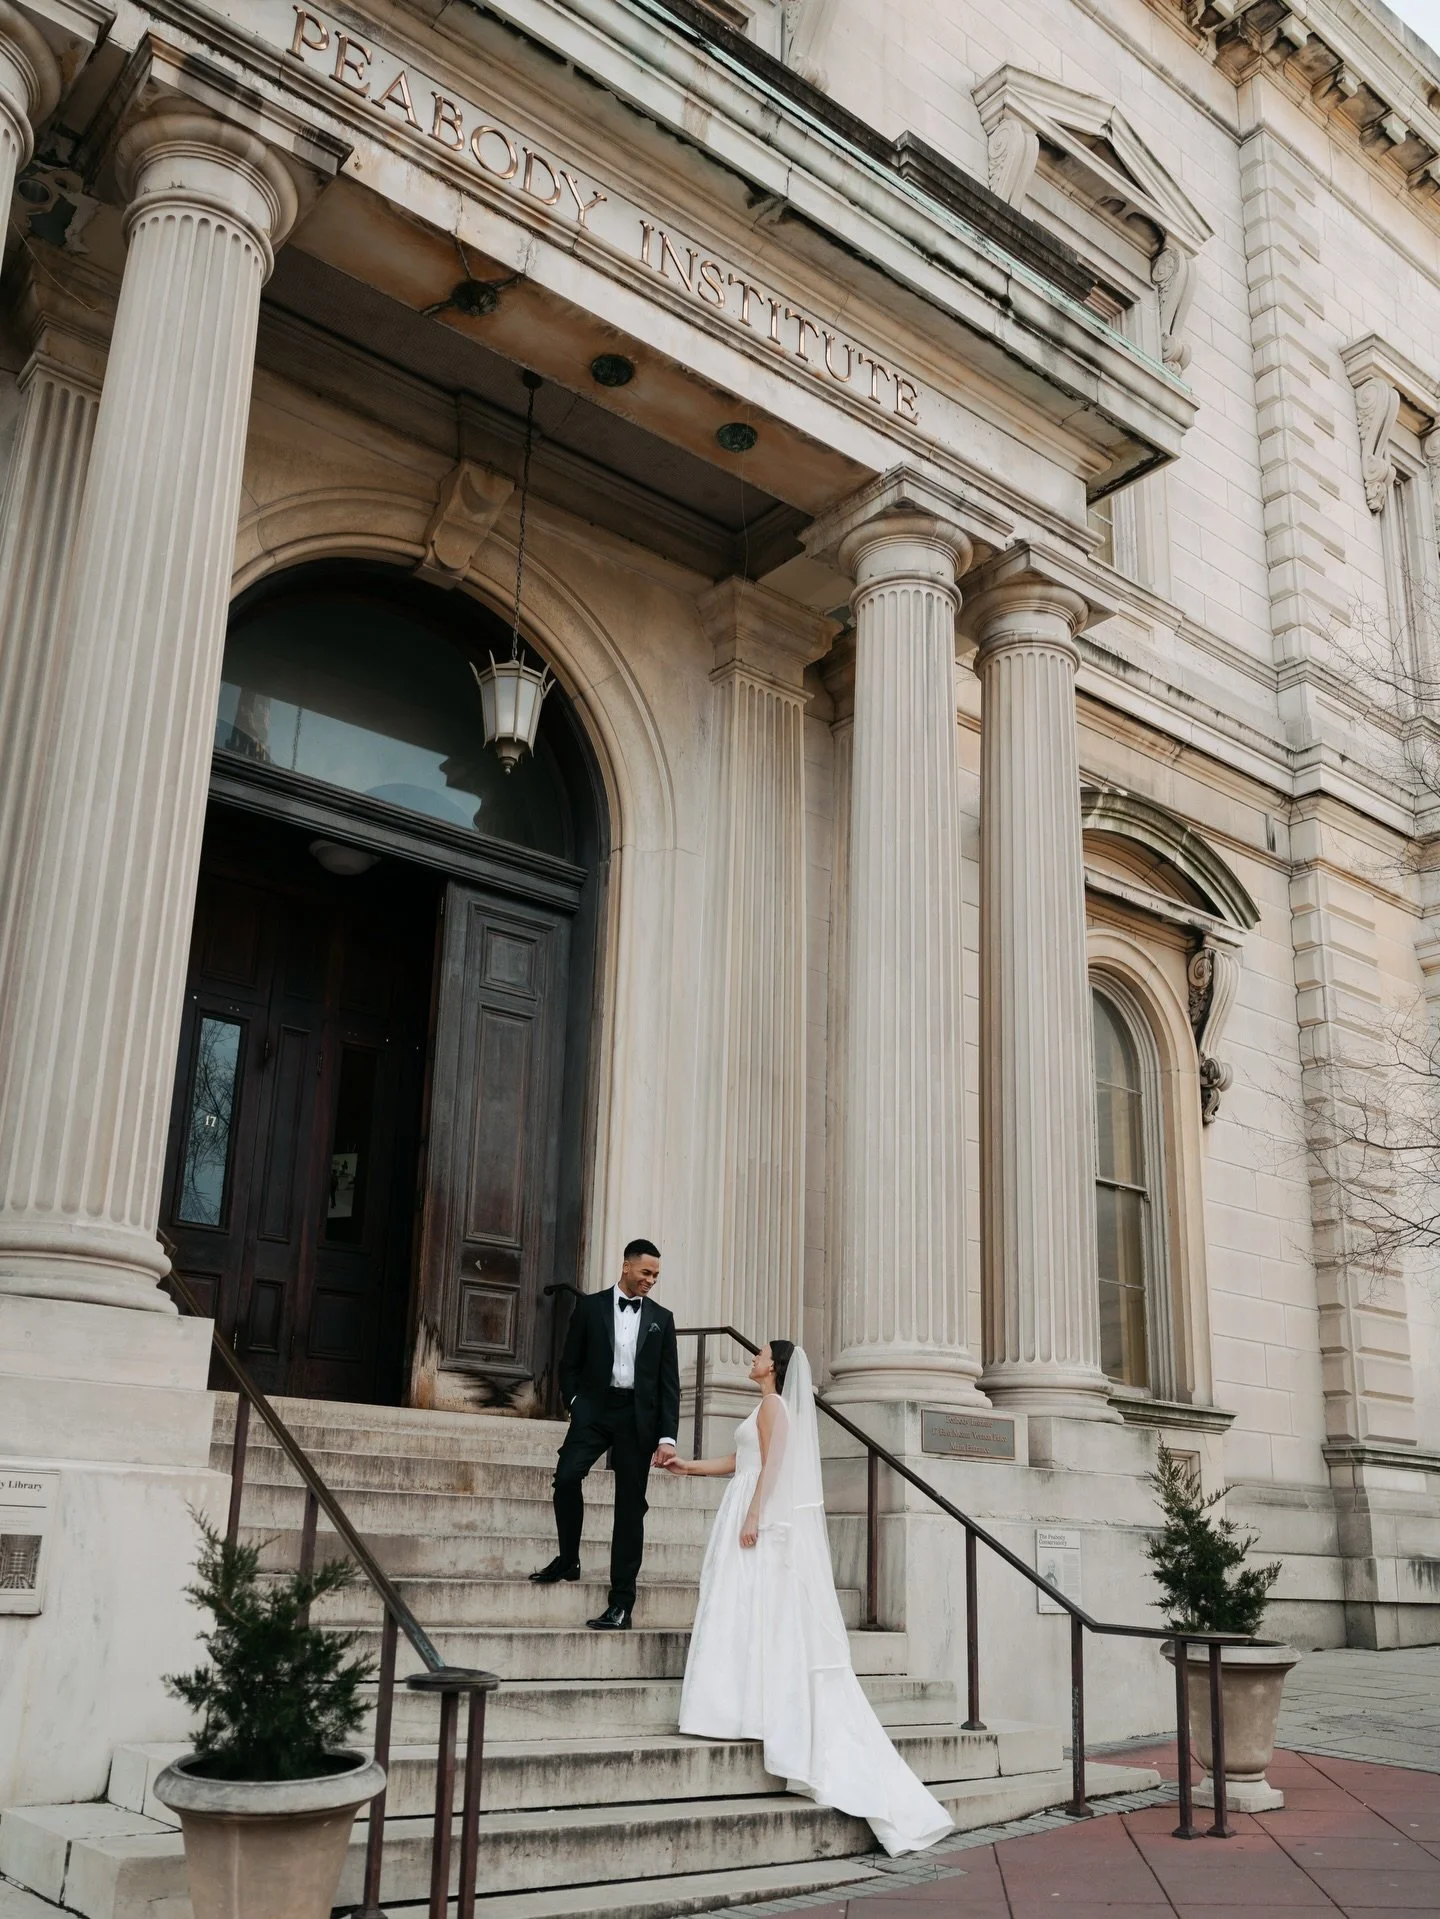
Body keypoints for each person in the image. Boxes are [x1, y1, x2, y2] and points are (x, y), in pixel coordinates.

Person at [668, 1339, 953, 1856]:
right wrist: (688, 1467)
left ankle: (740, 1709)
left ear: (773, 1367)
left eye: (758, 1356)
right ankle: (735, 1707)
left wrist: (755, 1515)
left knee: (742, 1607)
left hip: (754, 1511)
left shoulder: (774, 1406)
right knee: (737, 1608)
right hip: (745, 1501)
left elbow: (772, 1469)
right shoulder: (766, 1407)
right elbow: (742, 1459)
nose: (752, 1360)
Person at [530, 1238, 680, 1629]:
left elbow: (669, 1384)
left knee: (630, 1508)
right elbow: (569, 1363)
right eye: (646, 1272)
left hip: (638, 1418)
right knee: (566, 1477)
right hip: (594, 1411)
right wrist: (575, 1402)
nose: (651, 1280)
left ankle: (621, 1604)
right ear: (626, 1266)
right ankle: (568, 1560)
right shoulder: (590, 1307)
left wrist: (667, 1437)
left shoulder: (662, 1319)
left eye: (656, 1276)